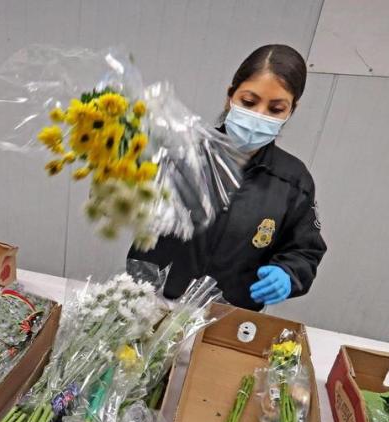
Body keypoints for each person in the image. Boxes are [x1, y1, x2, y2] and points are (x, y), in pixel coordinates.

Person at [128, 44, 325, 310]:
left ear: (291, 111)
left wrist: (288, 274)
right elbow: (121, 198)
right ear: (230, 96)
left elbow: (304, 250)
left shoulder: (293, 182)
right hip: (151, 304)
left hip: (224, 319)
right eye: (249, 102)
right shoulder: (179, 150)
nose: (258, 116)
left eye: (275, 109)